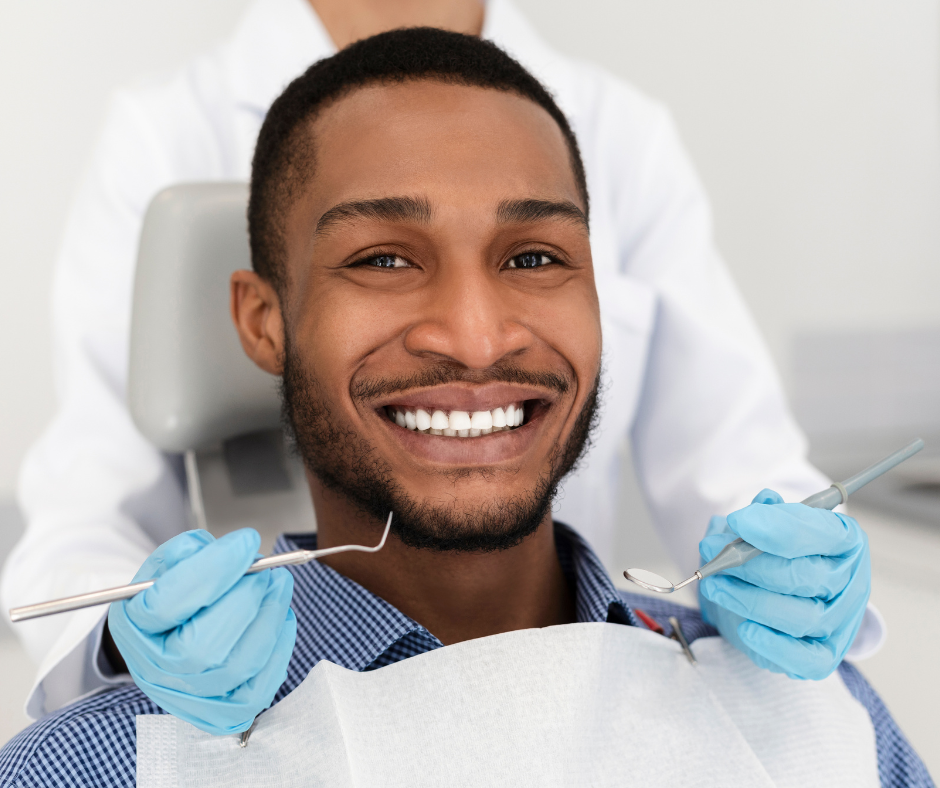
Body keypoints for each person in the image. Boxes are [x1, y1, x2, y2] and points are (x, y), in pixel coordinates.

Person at [0, 31, 928, 787]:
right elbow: (90, 495)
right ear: (261, 319)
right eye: (383, 260)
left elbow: (739, 457)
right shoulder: (110, 765)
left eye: (534, 258)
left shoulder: (819, 733)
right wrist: (126, 645)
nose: (478, 338)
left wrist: (796, 582)